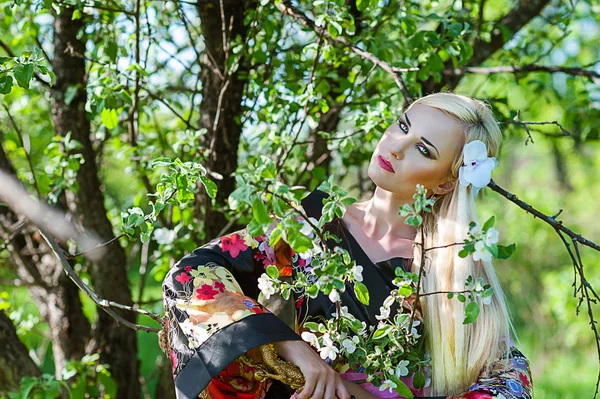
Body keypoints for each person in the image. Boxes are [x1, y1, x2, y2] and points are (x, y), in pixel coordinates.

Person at [161, 92, 534, 399]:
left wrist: (349, 392)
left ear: (445, 184)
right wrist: (293, 348)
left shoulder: (448, 270)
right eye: (403, 125)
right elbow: (192, 274)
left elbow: (507, 383)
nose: (396, 145)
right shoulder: (311, 222)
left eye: (424, 149)